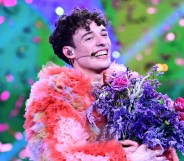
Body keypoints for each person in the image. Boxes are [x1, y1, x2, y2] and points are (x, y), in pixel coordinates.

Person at [24, 8, 179, 161]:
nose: (102, 42)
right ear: (70, 52)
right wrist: (125, 158)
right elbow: (61, 156)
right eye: (89, 38)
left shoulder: (130, 87)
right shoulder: (56, 97)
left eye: (104, 35)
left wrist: (148, 149)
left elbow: (160, 144)